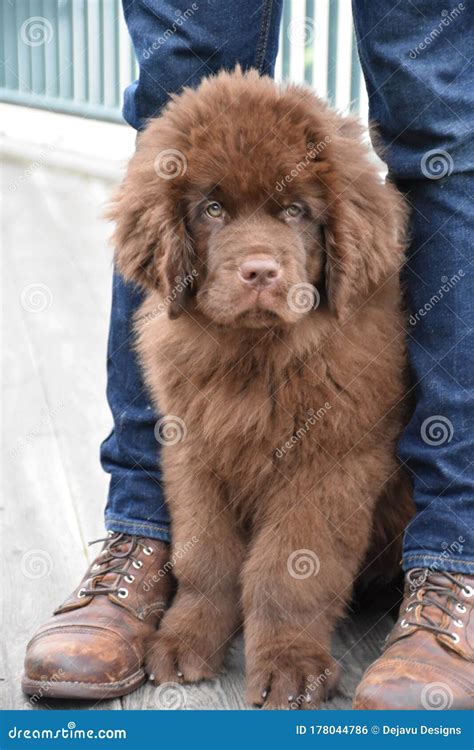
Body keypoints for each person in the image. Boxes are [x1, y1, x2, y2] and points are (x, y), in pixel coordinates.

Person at [23, 1, 473, 709]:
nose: (258, 257)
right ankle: (150, 546)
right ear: (171, 238)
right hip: (209, 429)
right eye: (213, 211)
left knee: (444, 119)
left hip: (363, 521)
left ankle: (453, 561)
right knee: (177, 72)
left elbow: (331, 478)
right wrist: (208, 595)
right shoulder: (173, 329)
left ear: (338, 236)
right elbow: (198, 462)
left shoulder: (356, 340)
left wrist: (287, 627)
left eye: (294, 210)